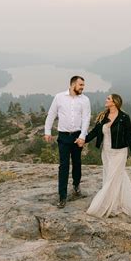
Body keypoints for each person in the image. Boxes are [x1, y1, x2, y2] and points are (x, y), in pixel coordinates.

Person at [85, 94, 131, 217]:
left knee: (112, 177)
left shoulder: (124, 117)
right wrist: (83, 140)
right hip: (106, 152)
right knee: (111, 176)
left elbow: (130, 135)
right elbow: (95, 132)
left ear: (115, 102)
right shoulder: (102, 116)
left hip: (119, 152)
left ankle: (102, 205)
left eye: (108, 99)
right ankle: (116, 203)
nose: (106, 100)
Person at [44, 76, 91, 209]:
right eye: (80, 85)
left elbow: (86, 119)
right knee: (63, 166)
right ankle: (62, 196)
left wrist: (82, 136)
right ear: (72, 84)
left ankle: (76, 184)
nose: (82, 87)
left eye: (83, 85)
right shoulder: (59, 97)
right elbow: (51, 114)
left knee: (77, 163)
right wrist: (47, 131)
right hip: (63, 136)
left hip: (77, 136)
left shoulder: (85, 100)